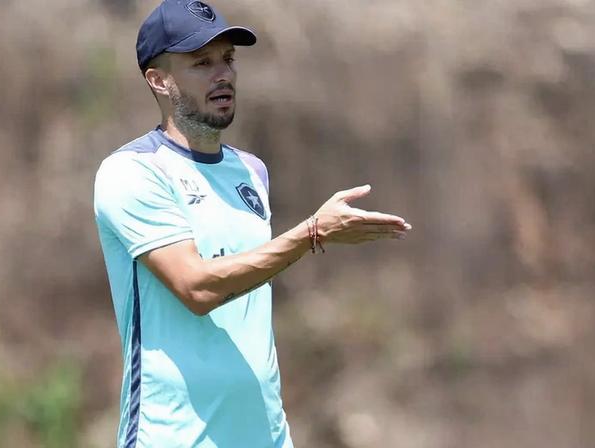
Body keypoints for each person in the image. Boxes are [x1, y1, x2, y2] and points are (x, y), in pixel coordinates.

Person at [93, 1, 412, 446]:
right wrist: (311, 233)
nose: (222, 74)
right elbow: (197, 289)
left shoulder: (251, 172)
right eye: (202, 63)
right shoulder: (132, 172)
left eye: (227, 59)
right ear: (159, 80)